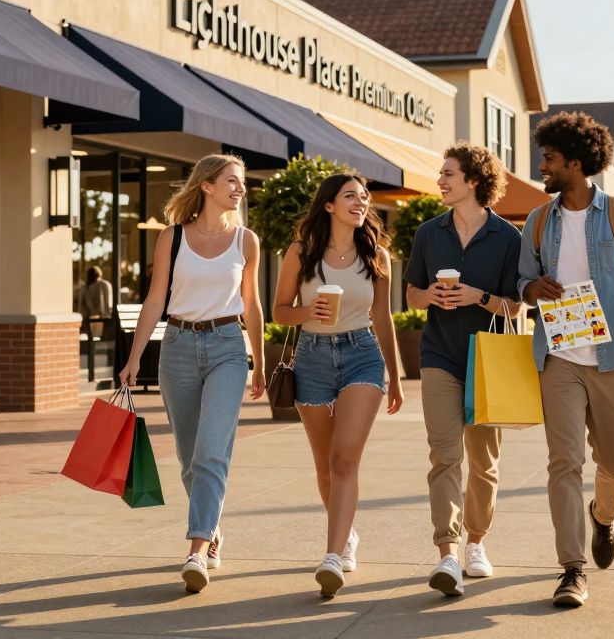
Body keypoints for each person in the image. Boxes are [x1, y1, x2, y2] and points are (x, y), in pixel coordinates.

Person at [519, 111, 614, 608]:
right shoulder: (540, 221)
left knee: (613, 461)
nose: (542, 165)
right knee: (563, 462)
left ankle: (602, 518)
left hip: (613, 358)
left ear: (577, 164)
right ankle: (571, 568)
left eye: (549, 158)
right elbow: (523, 281)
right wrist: (530, 288)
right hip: (557, 356)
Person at [117, 154, 266, 595]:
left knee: (210, 453)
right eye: (232, 181)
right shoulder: (173, 238)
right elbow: (154, 299)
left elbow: (251, 304)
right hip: (178, 347)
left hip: (226, 347)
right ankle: (213, 526)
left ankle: (197, 549)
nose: (240, 188)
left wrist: (257, 359)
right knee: (188, 457)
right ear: (207, 186)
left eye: (241, 182)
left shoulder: (246, 241)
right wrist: (134, 357)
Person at [272, 174, 403, 597]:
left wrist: (396, 377)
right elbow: (279, 312)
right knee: (325, 464)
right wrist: (308, 309)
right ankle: (347, 536)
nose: (360, 202)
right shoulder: (302, 251)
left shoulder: (377, 255)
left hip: (362, 355)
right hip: (310, 355)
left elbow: (383, 319)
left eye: (364, 197)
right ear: (328, 205)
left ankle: (331, 556)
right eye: (350, 195)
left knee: (345, 460)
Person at [403, 141, 521, 597]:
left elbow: (517, 304)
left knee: (484, 462)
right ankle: (447, 553)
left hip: (489, 359)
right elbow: (411, 293)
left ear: (473, 180)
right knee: (444, 454)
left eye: (448, 173)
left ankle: (477, 543)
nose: (440, 180)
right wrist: (428, 296)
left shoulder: (508, 238)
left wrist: (479, 297)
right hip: (439, 356)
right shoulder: (429, 233)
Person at [77, 265, 114, 340]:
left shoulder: (87, 288)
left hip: (93, 318)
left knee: (94, 339)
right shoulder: (107, 284)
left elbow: (83, 305)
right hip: (107, 318)